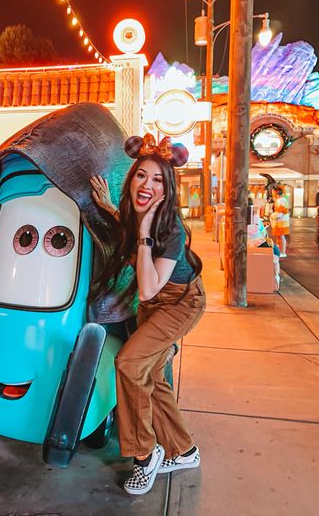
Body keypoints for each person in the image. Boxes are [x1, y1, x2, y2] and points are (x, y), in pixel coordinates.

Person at [90, 133, 205, 496]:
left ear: (167, 189)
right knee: (153, 375)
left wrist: (142, 233)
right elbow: (123, 220)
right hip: (156, 305)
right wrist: (109, 206)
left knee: (128, 364)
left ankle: (145, 454)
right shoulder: (134, 212)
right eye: (142, 175)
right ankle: (184, 450)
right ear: (132, 177)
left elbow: (148, 289)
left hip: (180, 303)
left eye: (157, 179)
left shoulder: (170, 230)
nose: (148, 184)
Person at [270, 185, 289, 257]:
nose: (272, 193)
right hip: (281, 221)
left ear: (276, 193)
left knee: (281, 237)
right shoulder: (282, 200)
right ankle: (280, 251)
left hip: (281, 222)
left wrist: (273, 216)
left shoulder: (280, 200)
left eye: (273, 192)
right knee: (280, 237)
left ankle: (283, 252)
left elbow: (281, 212)